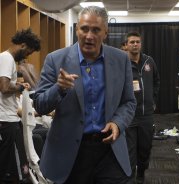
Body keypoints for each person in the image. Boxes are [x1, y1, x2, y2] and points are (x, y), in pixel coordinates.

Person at [33, 6, 136, 184]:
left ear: (105, 32)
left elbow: (128, 102)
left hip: (109, 150)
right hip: (69, 153)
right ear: (77, 30)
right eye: (84, 29)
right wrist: (59, 88)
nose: (89, 35)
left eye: (96, 30)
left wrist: (118, 123)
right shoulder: (55, 59)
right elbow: (40, 105)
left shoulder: (121, 59)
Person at [0, 28, 41, 183]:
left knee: (11, 168)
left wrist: (16, 84)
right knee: (11, 170)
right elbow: (4, 87)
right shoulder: (7, 58)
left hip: (8, 120)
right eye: (28, 52)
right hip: (6, 121)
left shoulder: (6, 59)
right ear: (23, 45)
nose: (27, 56)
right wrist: (20, 87)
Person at [125, 31, 160, 184]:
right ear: (126, 45)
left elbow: (157, 81)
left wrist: (153, 99)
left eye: (137, 42)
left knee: (145, 149)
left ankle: (141, 175)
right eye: (131, 42)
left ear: (141, 44)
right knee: (130, 151)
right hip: (129, 116)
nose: (135, 44)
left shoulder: (149, 61)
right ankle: (131, 178)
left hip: (147, 115)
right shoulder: (123, 63)